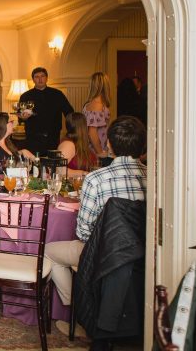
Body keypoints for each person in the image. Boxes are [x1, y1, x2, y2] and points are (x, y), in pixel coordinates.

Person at [44, 116, 147, 306]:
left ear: (109, 143)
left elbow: (83, 232)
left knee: (48, 251)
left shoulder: (96, 179)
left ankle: (75, 307)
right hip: (143, 252)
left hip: (104, 253)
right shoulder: (153, 178)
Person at [18, 67, 74, 155]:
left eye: (42, 76)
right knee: (35, 164)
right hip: (33, 138)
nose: (40, 79)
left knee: (52, 164)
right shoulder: (25, 96)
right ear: (33, 79)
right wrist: (23, 118)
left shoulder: (57, 94)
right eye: (37, 77)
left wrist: (70, 132)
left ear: (47, 78)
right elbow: (20, 118)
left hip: (53, 137)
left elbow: (69, 113)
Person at [83, 72, 111, 158]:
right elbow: (92, 132)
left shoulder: (90, 103)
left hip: (93, 150)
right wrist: (100, 152)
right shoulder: (97, 105)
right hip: (97, 152)